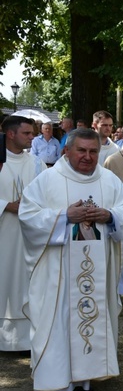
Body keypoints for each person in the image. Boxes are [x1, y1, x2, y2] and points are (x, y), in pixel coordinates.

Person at [18, 128, 123, 391]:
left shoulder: (109, 180)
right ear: (66, 151)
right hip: (56, 272)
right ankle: (54, 387)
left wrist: (110, 216)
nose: (87, 157)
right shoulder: (47, 180)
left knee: (90, 316)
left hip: (97, 271)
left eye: (93, 151)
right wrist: (63, 217)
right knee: (57, 323)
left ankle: (84, 377)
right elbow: (28, 216)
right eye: (81, 151)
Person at [0, 116, 45, 352]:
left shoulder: (36, 163)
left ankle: (26, 338)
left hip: (29, 234)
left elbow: (47, 193)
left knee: (26, 283)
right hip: (3, 233)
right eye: (27, 133)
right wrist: (7, 205)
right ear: (10, 134)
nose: (32, 137)